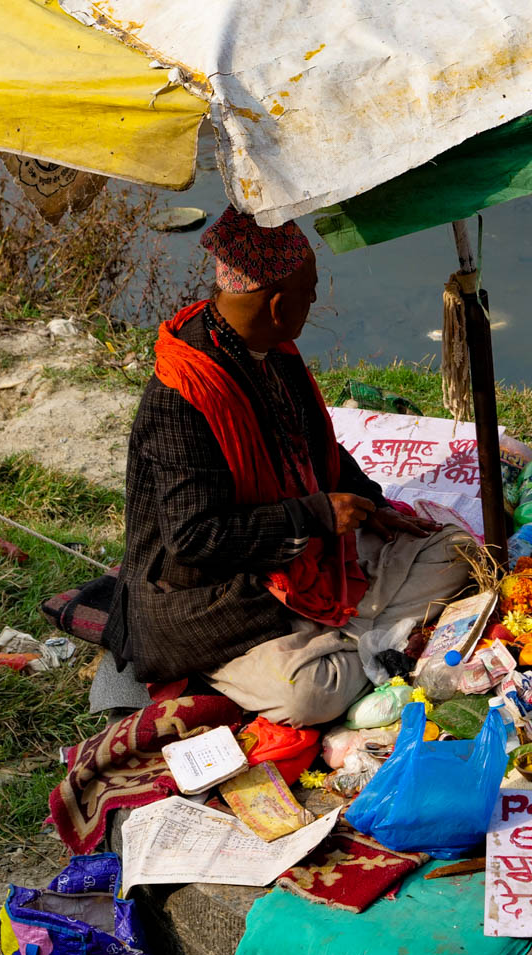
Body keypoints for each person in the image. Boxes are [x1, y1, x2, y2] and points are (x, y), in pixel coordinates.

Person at [101, 206, 472, 726]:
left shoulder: (272, 353)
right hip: (212, 599)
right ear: (277, 304)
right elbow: (193, 537)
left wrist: (373, 505)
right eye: (310, 288)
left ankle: (348, 635)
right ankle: (364, 638)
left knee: (458, 551)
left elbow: (317, 450)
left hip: (301, 561)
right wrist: (310, 516)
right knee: (308, 698)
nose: (316, 300)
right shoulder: (181, 397)